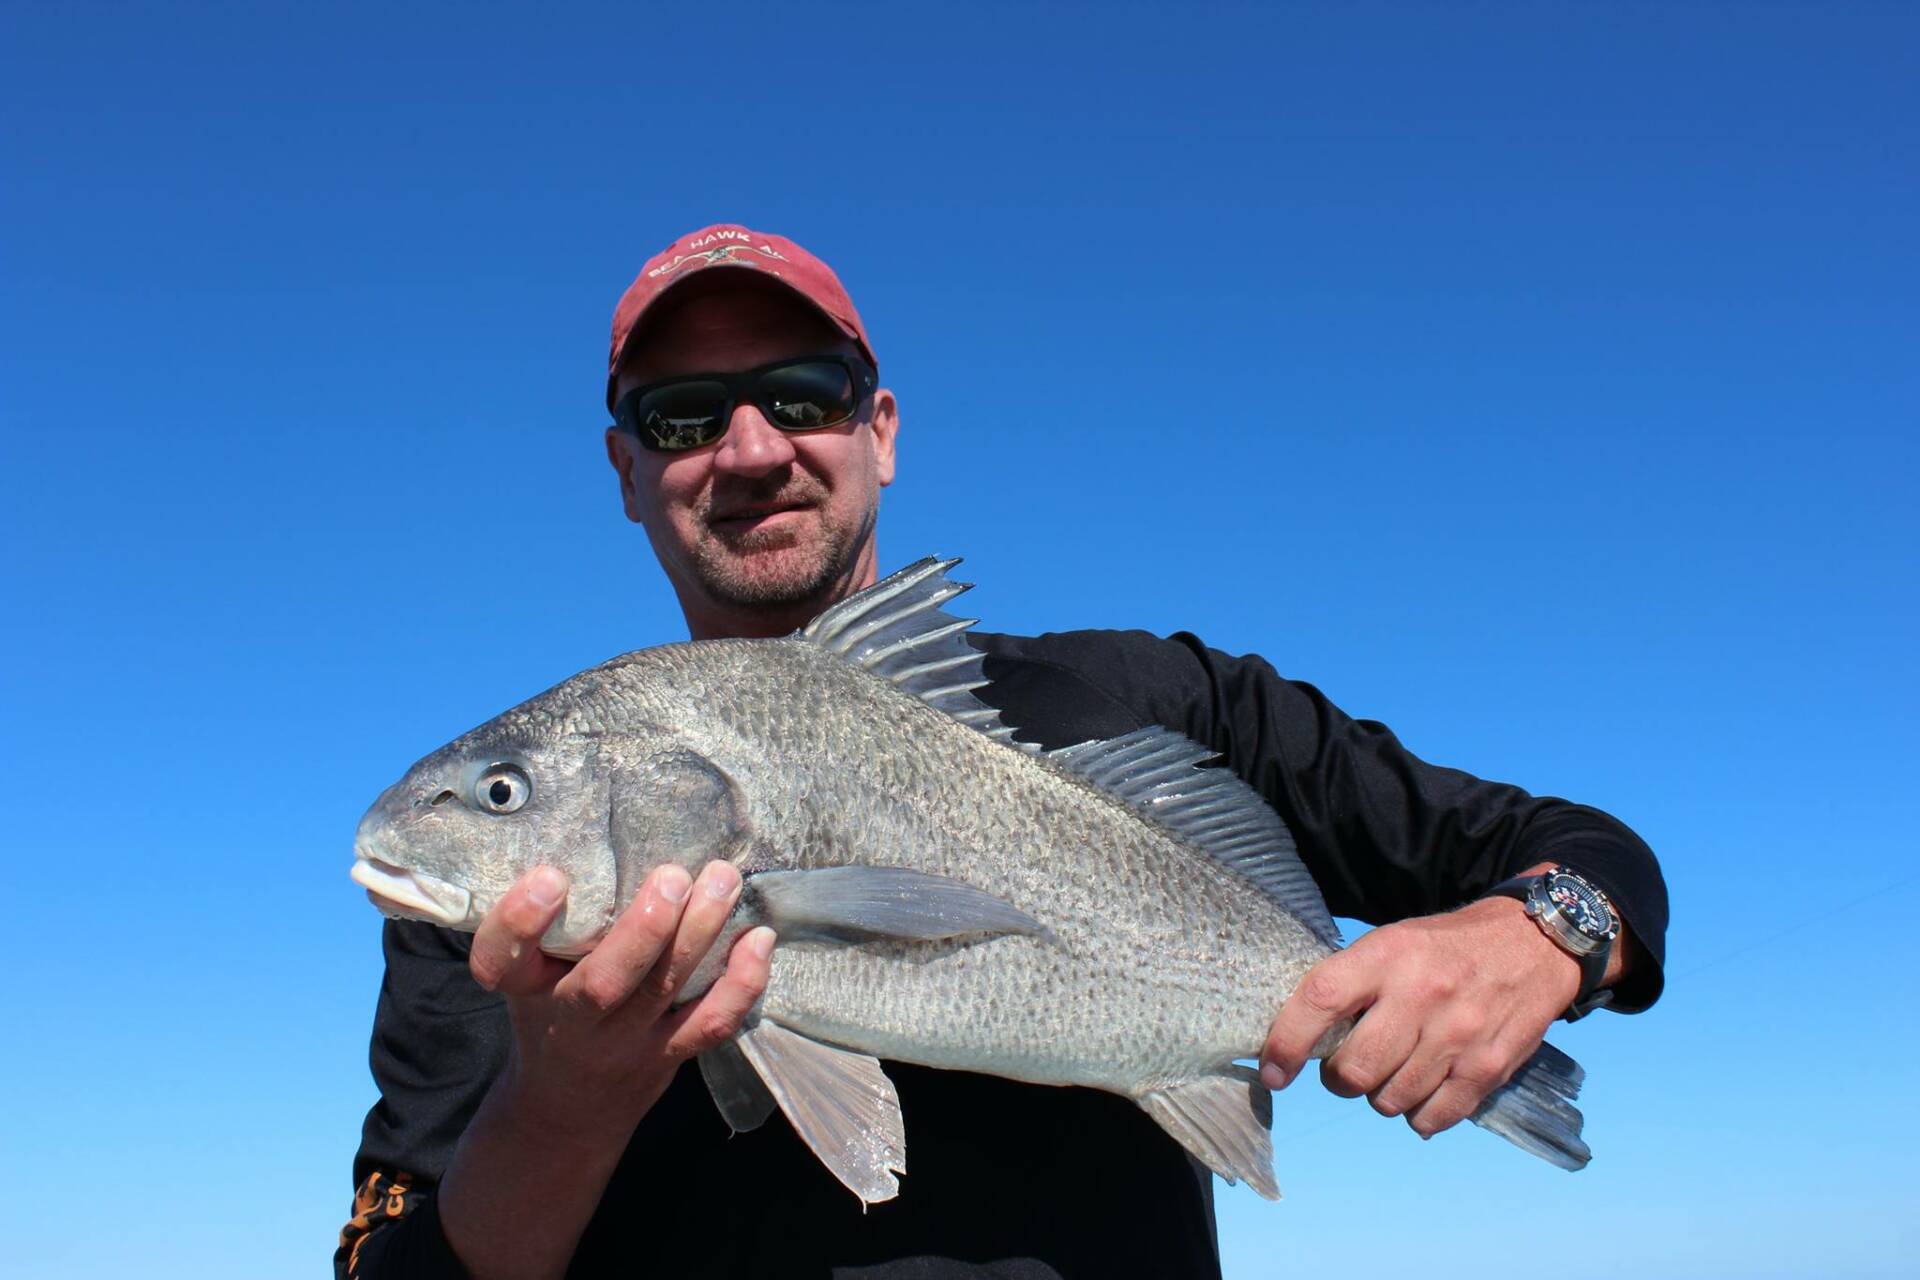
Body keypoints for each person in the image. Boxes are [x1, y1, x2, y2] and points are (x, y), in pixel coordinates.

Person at [338, 224, 1668, 1280]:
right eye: (685, 415)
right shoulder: (494, 921)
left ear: (882, 430)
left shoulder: (1156, 694)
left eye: (804, 394)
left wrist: (1545, 930)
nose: (751, 449)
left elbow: (1576, 851)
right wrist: (560, 1108)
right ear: (628, 472)